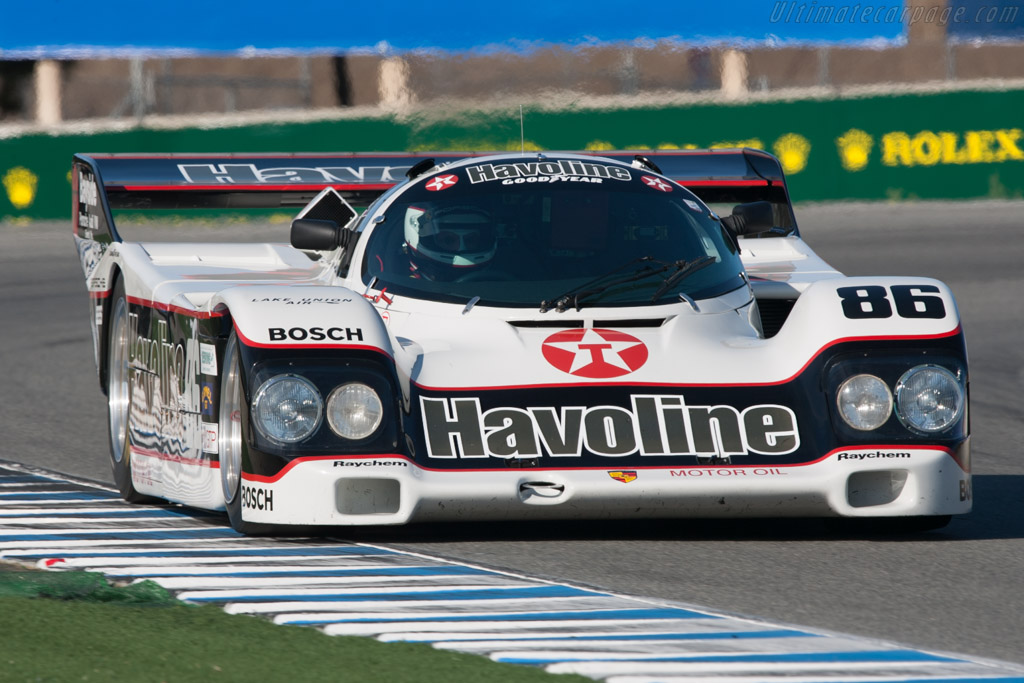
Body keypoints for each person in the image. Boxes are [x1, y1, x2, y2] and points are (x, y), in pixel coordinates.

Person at [403, 204, 497, 281]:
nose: (461, 248)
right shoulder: (403, 288)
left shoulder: (499, 282)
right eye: (448, 240)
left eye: (470, 240)